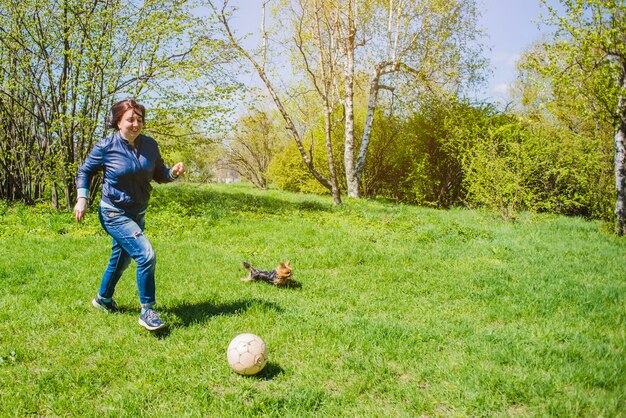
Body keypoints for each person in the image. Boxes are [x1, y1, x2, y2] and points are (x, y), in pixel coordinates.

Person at [74, 98, 185, 331]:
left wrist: (172, 173)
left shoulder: (150, 145)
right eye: (130, 119)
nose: (136, 124)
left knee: (122, 258)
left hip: (138, 213)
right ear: (118, 122)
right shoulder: (106, 146)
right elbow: (85, 170)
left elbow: (158, 174)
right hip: (113, 212)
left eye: (139, 120)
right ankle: (148, 310)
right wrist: (82, 198)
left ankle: (103, 299)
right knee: (146, 255)